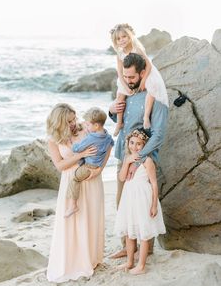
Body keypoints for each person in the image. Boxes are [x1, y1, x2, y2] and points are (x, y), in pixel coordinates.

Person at [109, 52, 169, 258]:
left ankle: (147, 250)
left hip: (143, 161)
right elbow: (120, 116)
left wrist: (139, 160)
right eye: (125, 77)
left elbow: (159, 133)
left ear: (143, 73)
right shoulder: (128, 90)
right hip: (123, 155)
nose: (128, 81)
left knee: (143, 205)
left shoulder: (156, 95)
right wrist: (111, 110)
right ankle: (128, 247)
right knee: (123, 202)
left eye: (132, 77)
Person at [46, 103, 111, 283]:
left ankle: (91, 259)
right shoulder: (53, 140)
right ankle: (73, 261)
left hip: (91, 178)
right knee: (72, 222)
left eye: (74, 118)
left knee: (90, 218)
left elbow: (107, 146)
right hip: (70, 181)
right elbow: (59, 166)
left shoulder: (85, 129)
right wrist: (79, 155)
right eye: (69, 121)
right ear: (59, 122)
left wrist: (100, 169)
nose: (74, 123)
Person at [114, 129, 166, 274]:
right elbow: (122, 178)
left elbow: (154, 184)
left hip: (143, 198)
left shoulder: (148, 161)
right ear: (128, 142)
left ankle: (141, 265)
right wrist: (128, 161)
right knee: (130, 233)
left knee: (143, 233)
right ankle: (129, 262)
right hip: (129, 199)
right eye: (132, 143)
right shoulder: (127, 158)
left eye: (139, 144)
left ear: (145, 145)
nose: (134, 147)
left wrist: (154, 204)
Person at [110, 23, 168, 136]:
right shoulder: (120, 54)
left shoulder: (137, 49)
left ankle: (146, 116)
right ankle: (119, 123)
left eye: (124, 37)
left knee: (151, 90)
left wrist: (143, 81)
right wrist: (125, 85)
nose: (121, 40)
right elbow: (120, 73)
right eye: (118, 39)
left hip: (145, 73)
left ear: (130, 36)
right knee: (120, 95)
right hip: (128, 76)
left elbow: (149, 65)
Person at [65, 107, 114, 218]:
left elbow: (77, 149)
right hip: (97, 165)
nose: (85, 127)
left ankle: (73, 205)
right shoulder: (107, 136)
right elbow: (111, 143)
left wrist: (70, 144)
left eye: (87, 125)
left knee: (75, 179)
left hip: (88, 167)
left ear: (96, 126)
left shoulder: (91, 137)